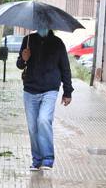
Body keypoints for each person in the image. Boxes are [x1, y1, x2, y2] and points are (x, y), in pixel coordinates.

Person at [16, 28, 73, 171]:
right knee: (33, 127)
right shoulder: (28, 40)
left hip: (50, 89)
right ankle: (37, 159)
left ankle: (48, 158)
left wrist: (67, 91)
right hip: (30, 90)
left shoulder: (57, 43)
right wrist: (24, 58)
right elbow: (19, 65)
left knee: (43, 120)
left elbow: (65, 68)